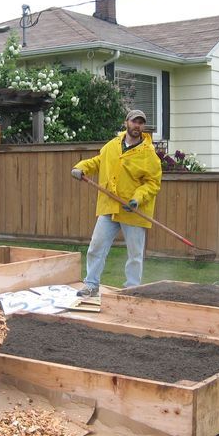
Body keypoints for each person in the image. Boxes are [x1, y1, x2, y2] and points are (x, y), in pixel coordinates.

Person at [71, 109, 162, 297]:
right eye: (134, 121)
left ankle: (132, 290)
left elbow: (153, 183)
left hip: (133, 210)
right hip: (109, 207)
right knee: (96, 246)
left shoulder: (148, 154)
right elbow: (98, 162)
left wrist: (137, 199)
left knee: (135, 255)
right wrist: (81, 168)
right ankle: (91, 285)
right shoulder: (112, 145)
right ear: (126, 122)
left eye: (141, 123)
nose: (137, 125)